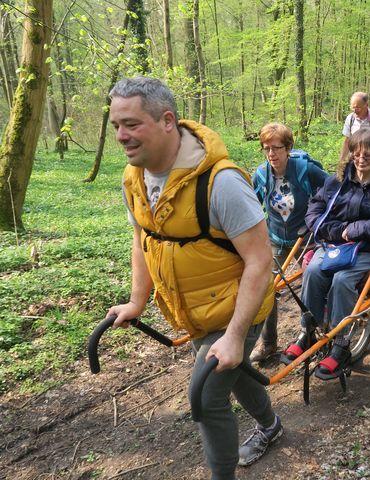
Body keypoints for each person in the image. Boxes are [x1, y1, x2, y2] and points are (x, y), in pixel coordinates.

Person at [105, 76, 282, 479]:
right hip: (193, 309)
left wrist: (236, 336)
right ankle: (272, 425)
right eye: (116, 125)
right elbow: (143, 240)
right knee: (230, 374)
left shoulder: (222, 184)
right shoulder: (134, 178)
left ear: (167, 120)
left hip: (238, 308)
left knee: (205, 394)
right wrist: (137, 301)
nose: (121, 136)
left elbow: (260, 260)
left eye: (131, 124)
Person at [281, 128, 370, 378]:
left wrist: (358, 228)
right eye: (357, 154)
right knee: (313, 272)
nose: (361, 160)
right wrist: (338, 231)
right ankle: (307, 331)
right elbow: (314, 211)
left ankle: (341, 344)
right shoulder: (337, 181)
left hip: (369, 248)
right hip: (335, 244)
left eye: (368, 155)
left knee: (342, 280)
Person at [249, 123, 328, 361]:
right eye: (266, 148)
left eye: (276, 148)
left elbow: (333, 192)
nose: (271, 154)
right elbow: (252, 207)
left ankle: (312, 333)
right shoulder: (261, 174)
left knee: (312, 283)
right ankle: (268, 344)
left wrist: (320, 218)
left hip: (307, 239)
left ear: (288, 147)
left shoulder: (305, 170)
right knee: (267, 289)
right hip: (276, 240)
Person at [340, 91, 370, 162]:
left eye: (358, 108)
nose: (354, 111)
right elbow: (347, 141)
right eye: (352, 107)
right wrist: (342, 161)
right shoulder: (350, 119)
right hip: (355, 160)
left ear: (366, 105)